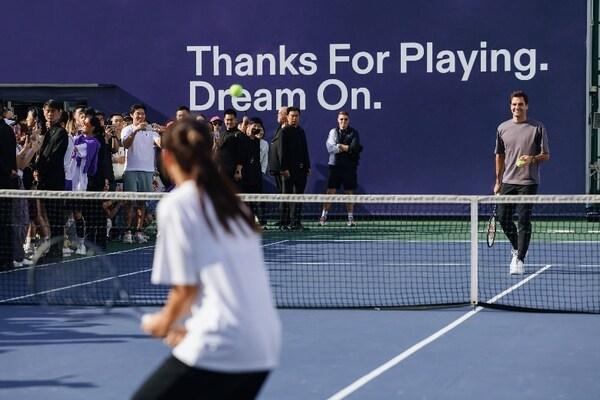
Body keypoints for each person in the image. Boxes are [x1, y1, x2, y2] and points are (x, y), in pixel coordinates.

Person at [133, 119, 280, 400]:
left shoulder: (177, 205)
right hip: (262, 346)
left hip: (222, 344)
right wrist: (189, 330)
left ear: (166, 157)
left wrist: (163, 323)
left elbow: (184, 291)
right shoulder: (234, 205)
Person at [494, 90, 550, 275]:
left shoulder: (538, 127)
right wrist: (498, 181)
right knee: (503, 218)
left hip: (528, 181)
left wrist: (531, 159)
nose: (517, 107)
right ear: (510, 106)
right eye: (514, 104)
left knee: (524, 219)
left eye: (520, 104)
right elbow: (499, 156)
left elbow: (546, 155)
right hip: (508, 181)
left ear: (526, 106)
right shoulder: (502, 128)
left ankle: (519, 259)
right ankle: (517, 248)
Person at [319, 111, 363, 227]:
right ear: (338, 120)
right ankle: (323, 216)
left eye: (346, 119)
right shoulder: (333, 132)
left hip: (349, 167)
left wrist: (340, 146)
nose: (343, 121)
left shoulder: (354, 133)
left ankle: (350, 218)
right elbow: (330, 148)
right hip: (335, 167)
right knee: (330, 192)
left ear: (349, 120)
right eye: (341, 119)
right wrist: (346, 148)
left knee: (349, 192)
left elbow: (356, 148)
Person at [279, 106, 310, 230]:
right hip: (288, 171)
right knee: (286, 196)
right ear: (287, 117)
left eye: (296, 116)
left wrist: (308, 166)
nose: (294, 118)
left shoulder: (301, 131)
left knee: (299, 197)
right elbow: (282, 152)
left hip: (301, 171)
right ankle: (283, 223)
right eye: (292, 116)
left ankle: (296, 222)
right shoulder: (284, 131)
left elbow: (305, 150)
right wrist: (284, 168)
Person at [0, 114, 17, 270]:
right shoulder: (8, 130)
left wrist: (8, 171)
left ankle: (5, 259)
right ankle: (7, 259)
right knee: (5, 222)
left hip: (4, 185)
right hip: (7, 183)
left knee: (3, 223)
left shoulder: (5, 130)